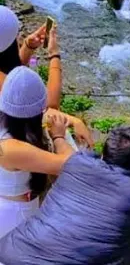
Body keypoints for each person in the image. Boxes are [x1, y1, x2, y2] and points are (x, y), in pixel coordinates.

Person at [0, 126, 130, 264]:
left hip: (10, 253)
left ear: (103, 156)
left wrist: (58, 136)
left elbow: (68, 153)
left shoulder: (78, 163)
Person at [0, 67, 80, 239]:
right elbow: (74, 164)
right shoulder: (11, 149)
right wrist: (58, 136)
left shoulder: (7, 131)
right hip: (14, 217)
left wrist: (74, 120)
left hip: (12, 205)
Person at [0, 7, 62, 110]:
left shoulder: (7, 81)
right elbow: (50, 108)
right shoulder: (10, 87)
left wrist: (28, 46)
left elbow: (12, 71)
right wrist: (54, 54)